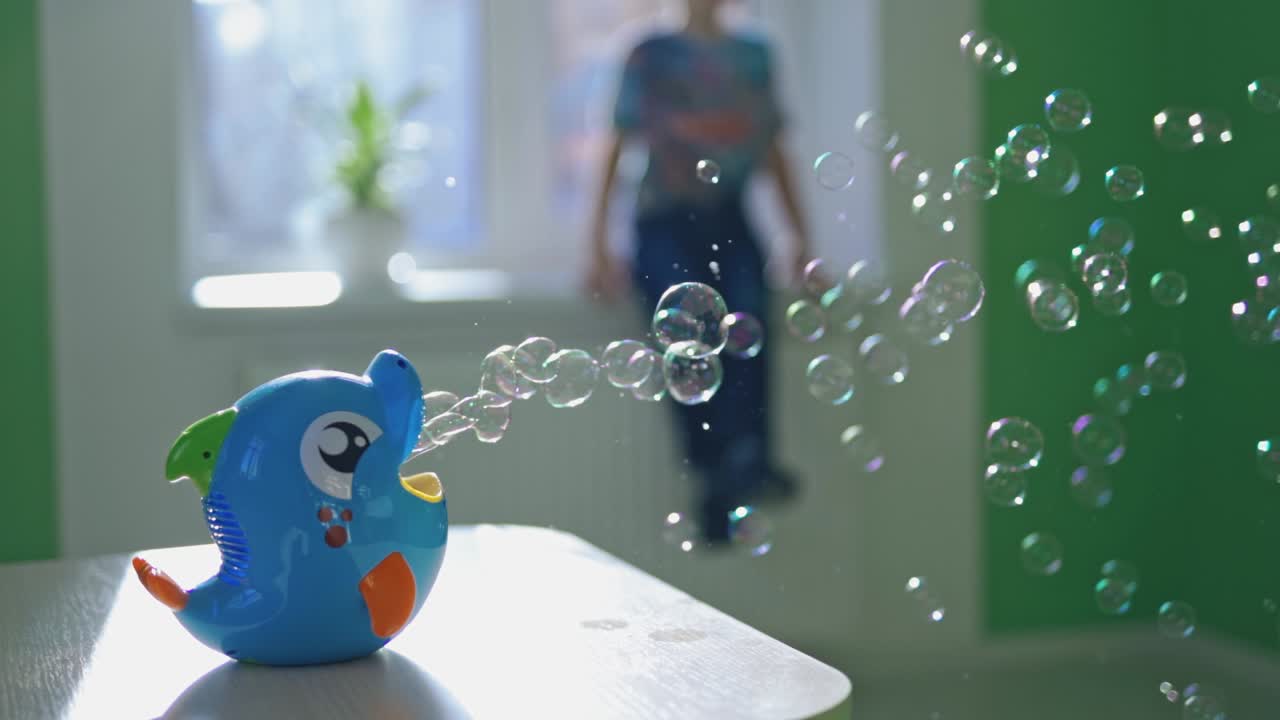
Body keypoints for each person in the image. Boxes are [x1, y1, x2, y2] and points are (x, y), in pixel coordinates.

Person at [585, 0, 811, 543]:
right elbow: (616, 145)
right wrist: (596, 244)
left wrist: (799, 237)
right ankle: (715, 476)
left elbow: (774, 149)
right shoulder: (648, 53)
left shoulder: (755, 55)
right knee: (686, 345)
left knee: (750, 326)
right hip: (663, 221)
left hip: (731, 215)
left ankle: (750, 460)